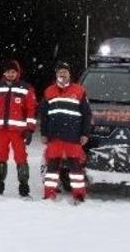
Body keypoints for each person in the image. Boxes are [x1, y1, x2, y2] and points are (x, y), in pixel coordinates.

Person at [38, 61, 92, 203]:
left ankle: (79, 194)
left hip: (73, 136)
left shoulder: (79, 90)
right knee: (52, 167)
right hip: (54, 137)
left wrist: (85, 134)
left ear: (69, 74)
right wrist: (43, 133)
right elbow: (43, 115)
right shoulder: (49, 91)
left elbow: (87, 114)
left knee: (75, 168)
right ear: (56, 74)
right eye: (60, 72)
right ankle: (49, 194)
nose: (62, 74)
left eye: (65, 72)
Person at [0, 60, 37, 198]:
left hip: (18, 132)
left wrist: (29, 130)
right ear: (4, 73)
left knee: (21, 158)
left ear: (17, 73)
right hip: (1, 131)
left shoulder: (26, 88)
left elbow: (31, 111)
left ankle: (24, 188)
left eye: (13, 72)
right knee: (0, 157)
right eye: (8, 71)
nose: (10, 74)